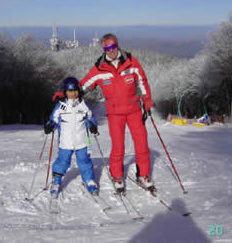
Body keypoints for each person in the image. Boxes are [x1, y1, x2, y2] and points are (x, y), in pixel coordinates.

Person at [53, 34, 156, 193]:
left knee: (142, 143)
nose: (111, 51)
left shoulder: (131, 62)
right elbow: (83, 85)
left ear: (117, 45)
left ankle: (143, 175)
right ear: (103, 49)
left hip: (134, 109)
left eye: (113, 47)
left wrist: (147, 100)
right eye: (107, 48)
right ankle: (117, 176)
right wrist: (65, 93)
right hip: (115, 113)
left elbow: (142, 81)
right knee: (118, 146)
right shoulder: (99, 69)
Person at [45, 77, 99, 198]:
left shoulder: (82, 104)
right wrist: (50, 125)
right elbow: (53, 119)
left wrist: (93, 125)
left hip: (82, 140)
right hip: (66, 141)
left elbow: (90, 116)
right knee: (62, 161)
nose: (73, 93)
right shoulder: (61, 106)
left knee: (84, 161)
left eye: (75, 90)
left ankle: (89, 180)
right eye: (70, 91)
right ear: (65, 91)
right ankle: (56, 181)